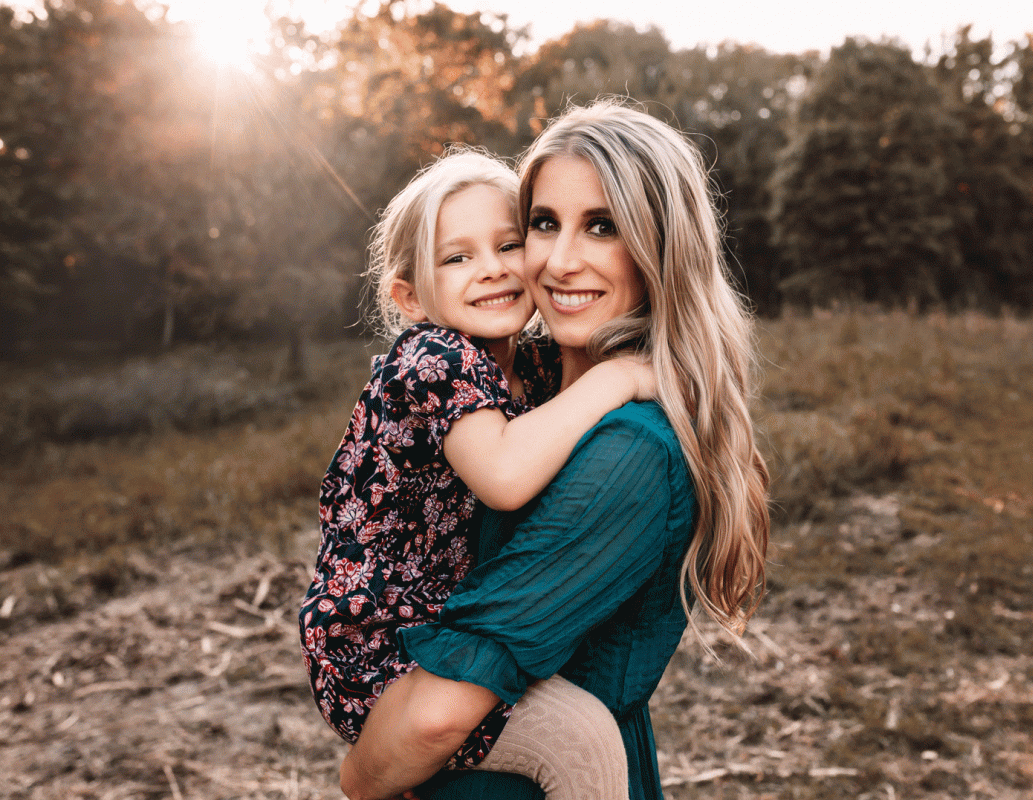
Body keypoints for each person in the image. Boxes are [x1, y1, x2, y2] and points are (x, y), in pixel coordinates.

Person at [338, 101, 772, 800]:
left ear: (662, 246)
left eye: (602, 226)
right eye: (543, 224)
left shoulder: (629, 450)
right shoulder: (523, 387)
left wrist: (361, 778)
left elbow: (434, 718)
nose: (558, 261)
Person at [299, 149, 658, 800]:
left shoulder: (537, 365)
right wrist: (621, 377)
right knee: (583, 742)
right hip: (384, 641)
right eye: (457, 257)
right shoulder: (432, 359)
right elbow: (504, 475)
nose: (491, 270)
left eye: (509, 244)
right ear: (409, 295)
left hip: (452, 621)